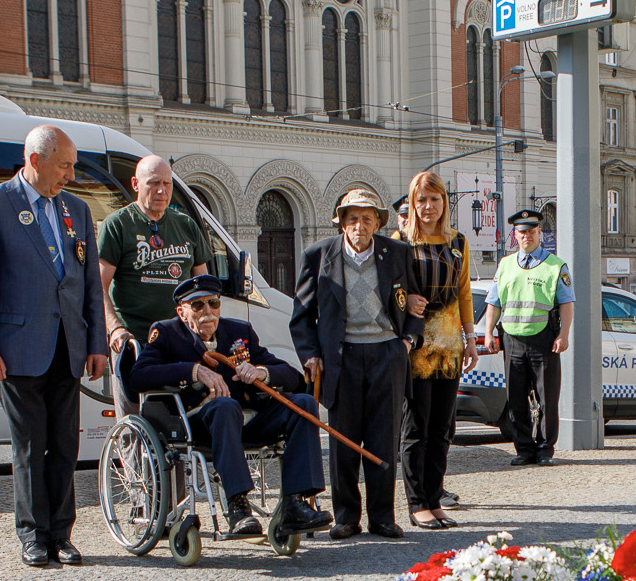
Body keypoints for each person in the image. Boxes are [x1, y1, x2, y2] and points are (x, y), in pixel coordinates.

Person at [0, 125, 110, 567]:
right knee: (30, 445)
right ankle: (32, 534)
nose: (70, 174)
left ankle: (61, 533)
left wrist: (96, 342)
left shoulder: (76, 210)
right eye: (63, 165)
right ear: (34, 160)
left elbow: (88, 283)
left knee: (64, 445)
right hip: (16, 348)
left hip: (68, 346)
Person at [130, 274, 331, 538]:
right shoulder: (167, 333)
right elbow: (138, 376)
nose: (208, 312)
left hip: (246, 421)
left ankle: (295, 502)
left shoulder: (239, 332)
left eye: (214, 303)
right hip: (198, 423)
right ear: (182, 312)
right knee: (224, 406)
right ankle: (238, 507)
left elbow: (291, 376)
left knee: (303, 403)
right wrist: (193, 371)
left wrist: (261, 372)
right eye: (198, 306)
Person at [291, 188, 422, 540]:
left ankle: (382, 517)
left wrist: (408, 341)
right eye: (352, 219)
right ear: (341, 223)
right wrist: (310, 354)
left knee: (383, 441)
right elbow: (301, 316)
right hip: (341, 356)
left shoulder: (397, 253)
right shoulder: (318, 256)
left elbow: (417, 303)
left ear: (378, 222)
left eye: (367, 218)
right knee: (343, 441)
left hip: (387, 354)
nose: (359, 226)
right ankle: (346, 516)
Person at [393, 171, 474, 529]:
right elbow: (389, 290)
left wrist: (471, 338)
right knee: (417, 426)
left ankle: (435, 496)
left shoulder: (458, 242)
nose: (428, 207)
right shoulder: (399, 243)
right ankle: (416, 502)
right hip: (416, 344)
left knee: (443, 428)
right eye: (421, 200)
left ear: (444, 202)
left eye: (435, 199)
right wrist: (404, 297)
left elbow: (465, 292)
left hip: (449, 343)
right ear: (412, 204)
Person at [97, 154, 221, 348]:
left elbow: (202, 287)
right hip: (134, 340)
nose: (161, 190)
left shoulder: (186, 224)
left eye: (167, 183)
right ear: (136, 184)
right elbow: (99, 285)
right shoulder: (118, 224)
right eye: (153, 183)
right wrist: (115, 328)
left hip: (181, 337)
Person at [481, 209, 574, 466]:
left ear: (539, 234)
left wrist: (563, 335)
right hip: (512, 339)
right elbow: (494, 302)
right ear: (515, 235)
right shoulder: (506, 264)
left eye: (532, 231)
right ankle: (523, 449)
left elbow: (566, 304)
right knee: (516, 399)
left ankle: (545, 449)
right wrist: (489, 332)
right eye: (522, 232)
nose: (527, 236)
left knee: (547, 398)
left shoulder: (556, 265)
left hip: (544, 339)